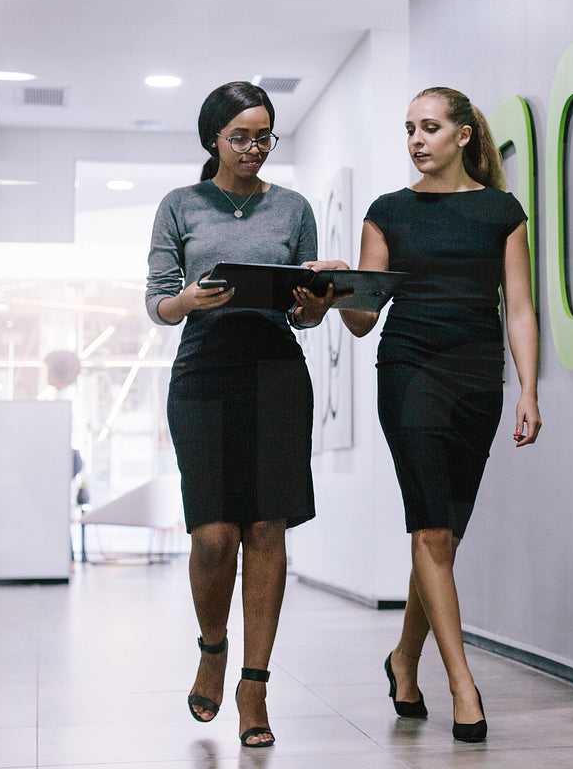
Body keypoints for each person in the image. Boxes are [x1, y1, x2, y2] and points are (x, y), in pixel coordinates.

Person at [337, 86, 541, 743]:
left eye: (428, 127)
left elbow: (520, 308)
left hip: (477, 377)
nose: (416, 140)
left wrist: (528, 390)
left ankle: (404, 659)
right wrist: (336, 289)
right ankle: (462, 686)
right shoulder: (387, 213)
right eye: (409, 129)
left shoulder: (501, 212)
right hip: (409, 371)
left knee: (445, 540)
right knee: (428, 532)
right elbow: (363, 319)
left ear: (463, 135)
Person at [144, 81, 343, 749]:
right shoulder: (179, 205)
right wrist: (189, 301)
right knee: (213, 533)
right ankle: (213, 647)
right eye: (240, 137)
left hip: (276, 371)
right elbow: (158, 303)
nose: (254, 148)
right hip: (203, 370)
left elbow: (303, 312)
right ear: (213, 139)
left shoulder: (293, 208)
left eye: (263, 137)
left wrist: (314, 308)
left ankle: (253, 687)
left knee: (265, 526)